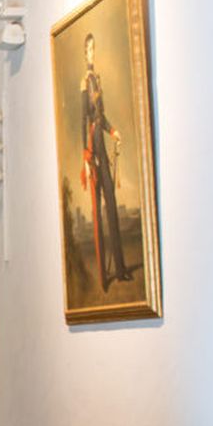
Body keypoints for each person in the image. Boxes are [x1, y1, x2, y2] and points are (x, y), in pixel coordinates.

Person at [79, 33, 130, 291]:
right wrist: (86, 157)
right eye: (88, 49)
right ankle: (104, 277)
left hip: (102, 138)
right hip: (92, 144)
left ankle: (120, 269)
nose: (92, 53)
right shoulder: (84, 83)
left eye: (93, 48)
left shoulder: (97, 81)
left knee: (110, 204)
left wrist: (113, 131)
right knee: (97, 210)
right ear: (84, 53)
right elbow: (83, 122)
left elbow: (103, 116)